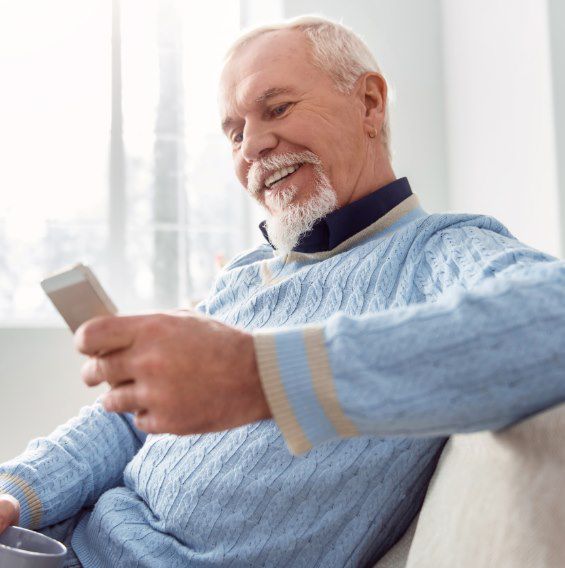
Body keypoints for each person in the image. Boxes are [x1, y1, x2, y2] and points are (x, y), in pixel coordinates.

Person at [1, 15, 564, 568]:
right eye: (234, 132)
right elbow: (126, 418)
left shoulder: (439, 251)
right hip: (56, 538)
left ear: (369, 103)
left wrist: (257, 376)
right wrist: (18, 490)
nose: (253, 146)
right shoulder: (247, 274)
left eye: (276, 109)